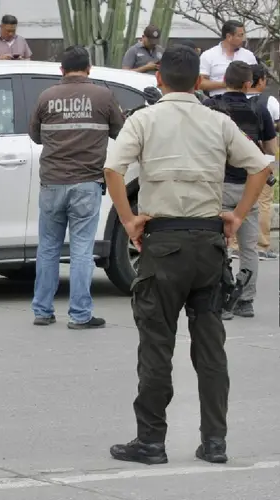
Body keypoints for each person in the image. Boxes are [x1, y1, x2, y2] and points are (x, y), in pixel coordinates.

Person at [104, 45, 271, 466]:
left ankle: (151, 442)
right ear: (199, 82)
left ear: (159, 79)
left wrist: (128, 220)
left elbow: (112, 168)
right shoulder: (218, 121)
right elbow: (261, 166)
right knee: (211, 348)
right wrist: (236, 215)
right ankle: (215, 441)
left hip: (162, 245)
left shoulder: (143, 119)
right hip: (208, 245)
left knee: (157, 345)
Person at [29, 45, 125, 329]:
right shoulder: (103, 96)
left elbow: (35, 136)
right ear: (89, 69)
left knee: (48, 247)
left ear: (61, 70)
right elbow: (121, 131)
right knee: (82, 250)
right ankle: (80, 315)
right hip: (86, 183)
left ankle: (42, 311)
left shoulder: (46, 97)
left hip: (52, 183)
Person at [203, 61, 277, 320]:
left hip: (218, 185)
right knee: (248, 247)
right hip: (248, 188)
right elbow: (270, 150)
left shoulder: (211, 108)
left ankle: (221, 299)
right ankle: (245, 301)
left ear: (224, 78)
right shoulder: (260, 110)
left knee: (218, 245)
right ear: (249, 84)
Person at [245, 64, 279, 260]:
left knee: (237, 199)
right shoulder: (269, 101)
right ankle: (261, 245)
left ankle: (234, 245)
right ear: (261, 81)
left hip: (236, 160)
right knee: (263, 201)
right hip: (263, 159)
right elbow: (276, 129)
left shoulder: (230, 100)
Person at [199, 20, 257, 97]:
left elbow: (257, 81)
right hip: (218, 103)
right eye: (240, 35)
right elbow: (200, 83)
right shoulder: (208, 55)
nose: (243, 39)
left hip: (246, 102)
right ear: (229, 37)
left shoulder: (248, 55)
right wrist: (225, 84)